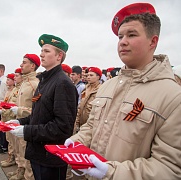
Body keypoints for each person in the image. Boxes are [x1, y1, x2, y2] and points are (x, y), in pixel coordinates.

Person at [64, 3, 181, 180]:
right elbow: (92, 126)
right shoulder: (108, 86)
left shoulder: (173, 96)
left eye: (131, 35)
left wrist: (111, 173)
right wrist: (78, 142)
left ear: (153, 41)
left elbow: (169, 167)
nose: (123, 41)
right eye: (120, 36)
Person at [7, 34, 78, 180]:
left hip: (51, 156)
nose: (41, 54)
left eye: (46, 51)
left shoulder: (62, 83)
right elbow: (40, 114)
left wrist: (27, 131)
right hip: (39, 152)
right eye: (41, 51)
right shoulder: (45, 79)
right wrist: (21, 122)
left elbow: (62, 127)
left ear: (59, 56)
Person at [7, 54, 40, 180]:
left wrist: (19, 110)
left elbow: (37, 110)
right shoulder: (24, 83)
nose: (21, 65)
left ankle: (28, 177)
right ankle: (20, 172)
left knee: (28, 155)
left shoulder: (35, 84)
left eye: (24, 62)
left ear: (32, 66)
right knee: (20, 150)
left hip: (29, 124)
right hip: (21, 122)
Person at [74, 67, 102, 134]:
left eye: (91, 75)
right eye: (87, 75)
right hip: (81, 123)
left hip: (92, 124)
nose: (88, 77)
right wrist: (76, 122)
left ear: (98, 77)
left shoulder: (101, 90)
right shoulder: (85, 89)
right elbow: (80, 106)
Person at [0, 73, 15, 154]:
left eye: (9, 80)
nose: (7, 81)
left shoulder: (14, 91)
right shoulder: (9, 90)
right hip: (4, 113)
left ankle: (6, 148)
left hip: (9, 115)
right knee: (4, 133)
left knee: (11, 138)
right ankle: (3, 146)